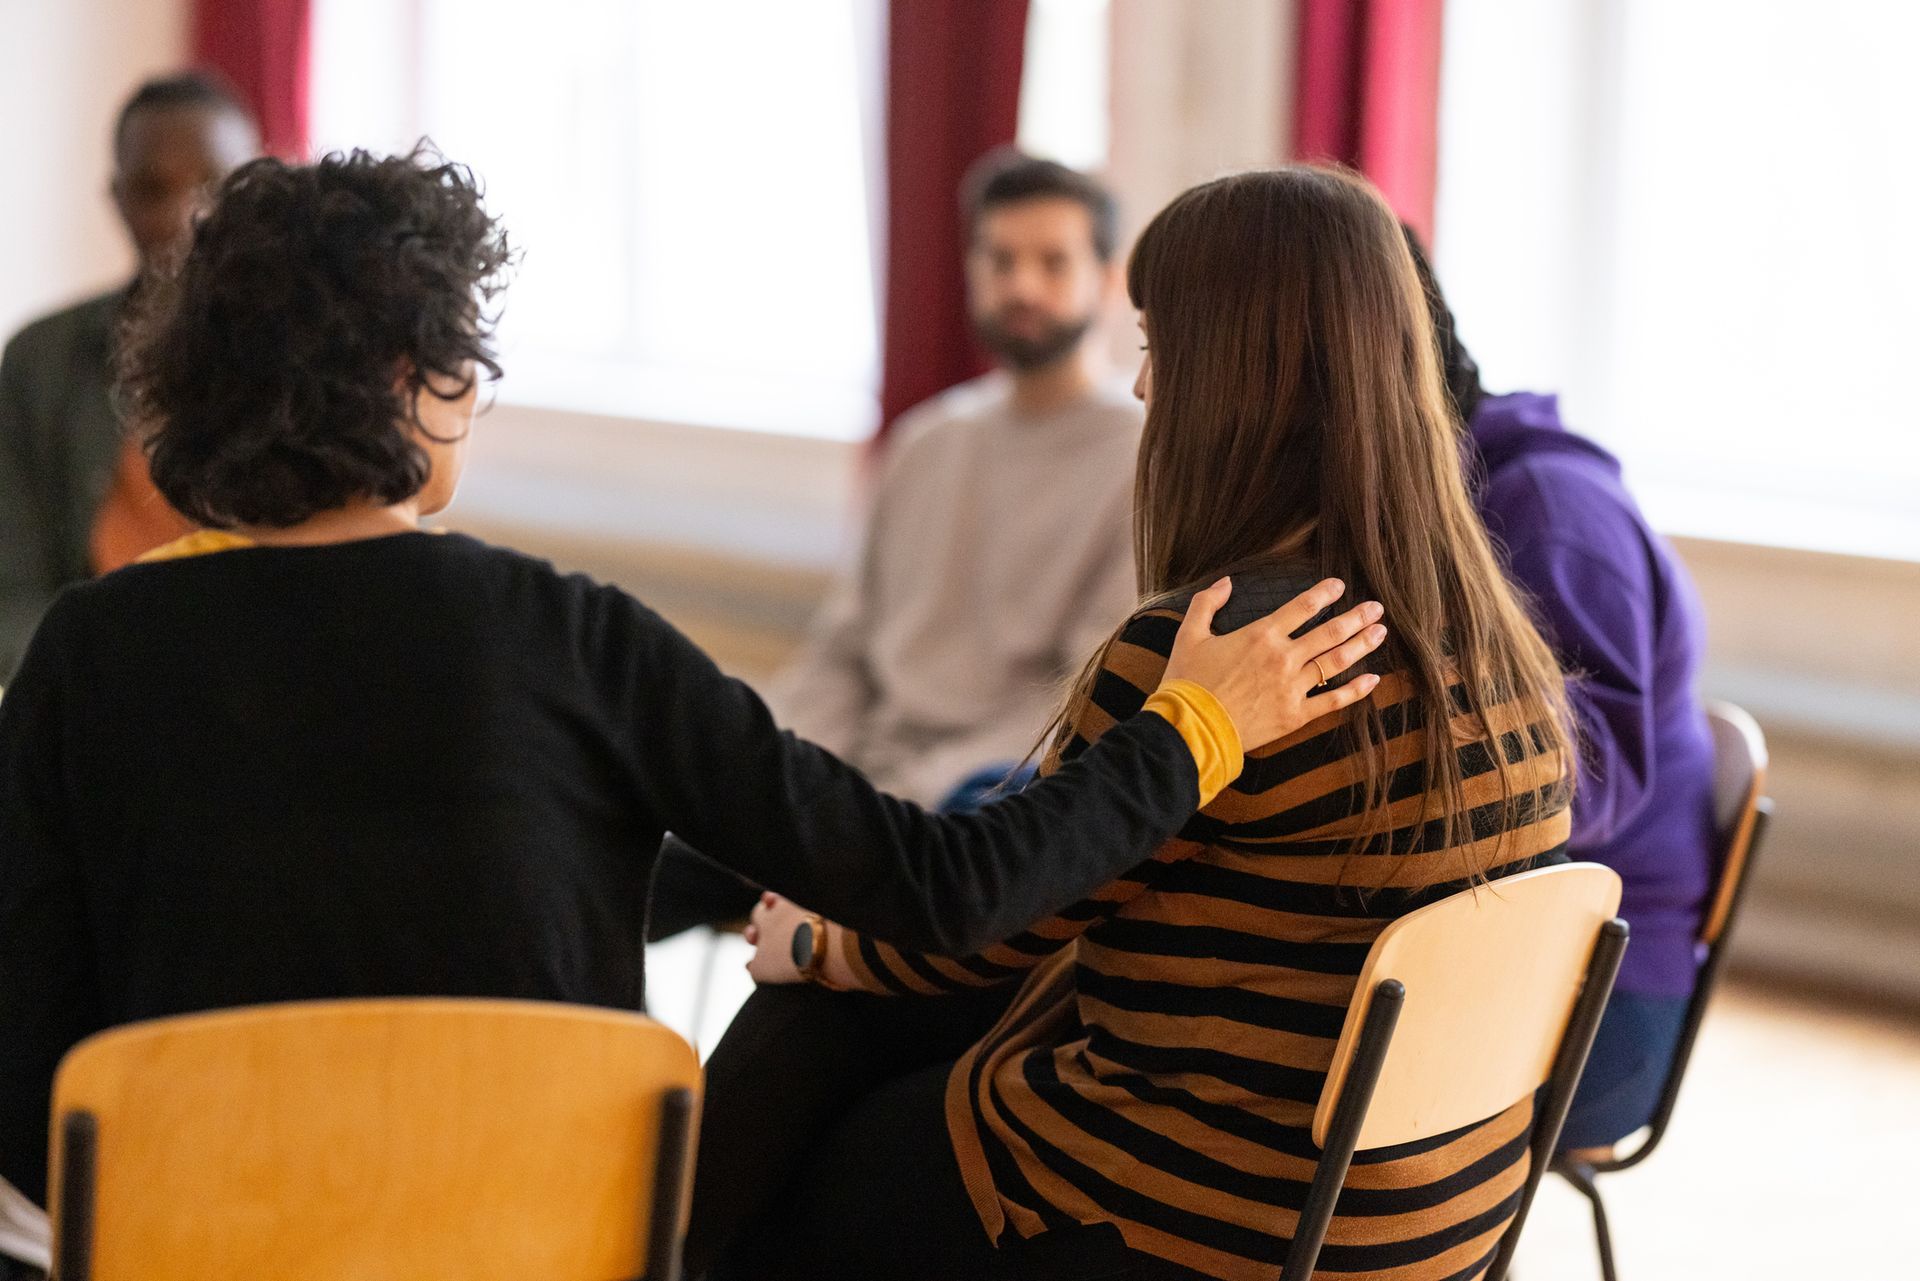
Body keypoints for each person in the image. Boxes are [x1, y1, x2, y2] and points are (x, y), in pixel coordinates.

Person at [0, 147, 1388, 1213]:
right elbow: (951, 887)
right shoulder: (570, 636)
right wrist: (1195, 727)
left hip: (194, 1232)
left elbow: (23, 1064)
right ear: (424, 384)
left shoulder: (86, 648)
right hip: (535, 1233)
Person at [694, 167, 1577, 1281]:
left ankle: (633, 1249)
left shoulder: (1216, 650)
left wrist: (817, 944)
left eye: (1164, 347)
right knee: (863, 1016)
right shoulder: (1500, 645)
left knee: (806, 1116)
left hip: (1198, 1210)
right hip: (1424, 1224)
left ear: (1237, 379)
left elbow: (1000, 922)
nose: (1149, 388)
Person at [647, 150, 1143, 939]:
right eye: (1000, 258)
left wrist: (897, 801)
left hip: (971, 815)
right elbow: (845, 648)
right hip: (851, 794)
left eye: (1052, 262)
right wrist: (777, 779)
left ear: (1109, 278)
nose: (1022, 285)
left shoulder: (1140, 457)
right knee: (602, 876)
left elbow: (1081, 700)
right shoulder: (927, 442)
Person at [1405, 232, 1718, 1153]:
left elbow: (1583, 783)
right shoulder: (1475, 495)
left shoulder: (1548, 515)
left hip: (1603, 1005)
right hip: (1534, 958)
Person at [0, 72, 260, 678]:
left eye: (211, 186)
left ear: (254, 189)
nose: (182, 218)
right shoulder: (41, 362)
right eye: (151, 189)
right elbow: (8, 595)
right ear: (116, 197)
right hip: (89, 694)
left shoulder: (313, 361)